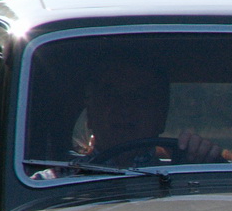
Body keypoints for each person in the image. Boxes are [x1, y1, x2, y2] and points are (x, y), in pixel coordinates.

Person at [77, 63, 222, 165]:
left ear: (161, 117)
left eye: (140, 97)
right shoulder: (64, 178)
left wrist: (198, 160)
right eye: (111, 96)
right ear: (90, 114)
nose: (125, 109)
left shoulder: (181, 177)